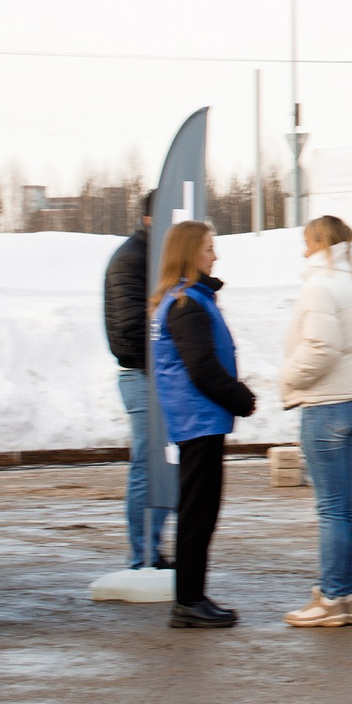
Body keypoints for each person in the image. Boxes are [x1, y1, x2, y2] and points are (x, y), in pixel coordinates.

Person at [150, 220, 256, 625]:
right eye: (209, 248)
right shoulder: (186, 304)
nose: (215, 255)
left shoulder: (186, 299)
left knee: (199, 510)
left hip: (198, 419)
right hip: (199, 420)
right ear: (190, 253)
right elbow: (201, 368)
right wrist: (240, 398)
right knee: (199, 512)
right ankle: (189, 600)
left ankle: (192, 596)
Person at [279, 216, 352, 629]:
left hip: (325, 405)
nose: (303, 251)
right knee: (347, 509)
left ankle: (332, 597)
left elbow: (322, 347)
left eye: (306, 242)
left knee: (332, 510)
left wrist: (287, 378)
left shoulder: (319, 285)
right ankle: (346, 598)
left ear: (320, 242)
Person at [102, 191, 167, 570]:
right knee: (146, 464)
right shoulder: (132, 260)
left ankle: (151, 548)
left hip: (155, 375)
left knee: (156, 463)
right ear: (148, 220)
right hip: (143, 376)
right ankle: (142, 554)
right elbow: (129, 327)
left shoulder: (152, 259)